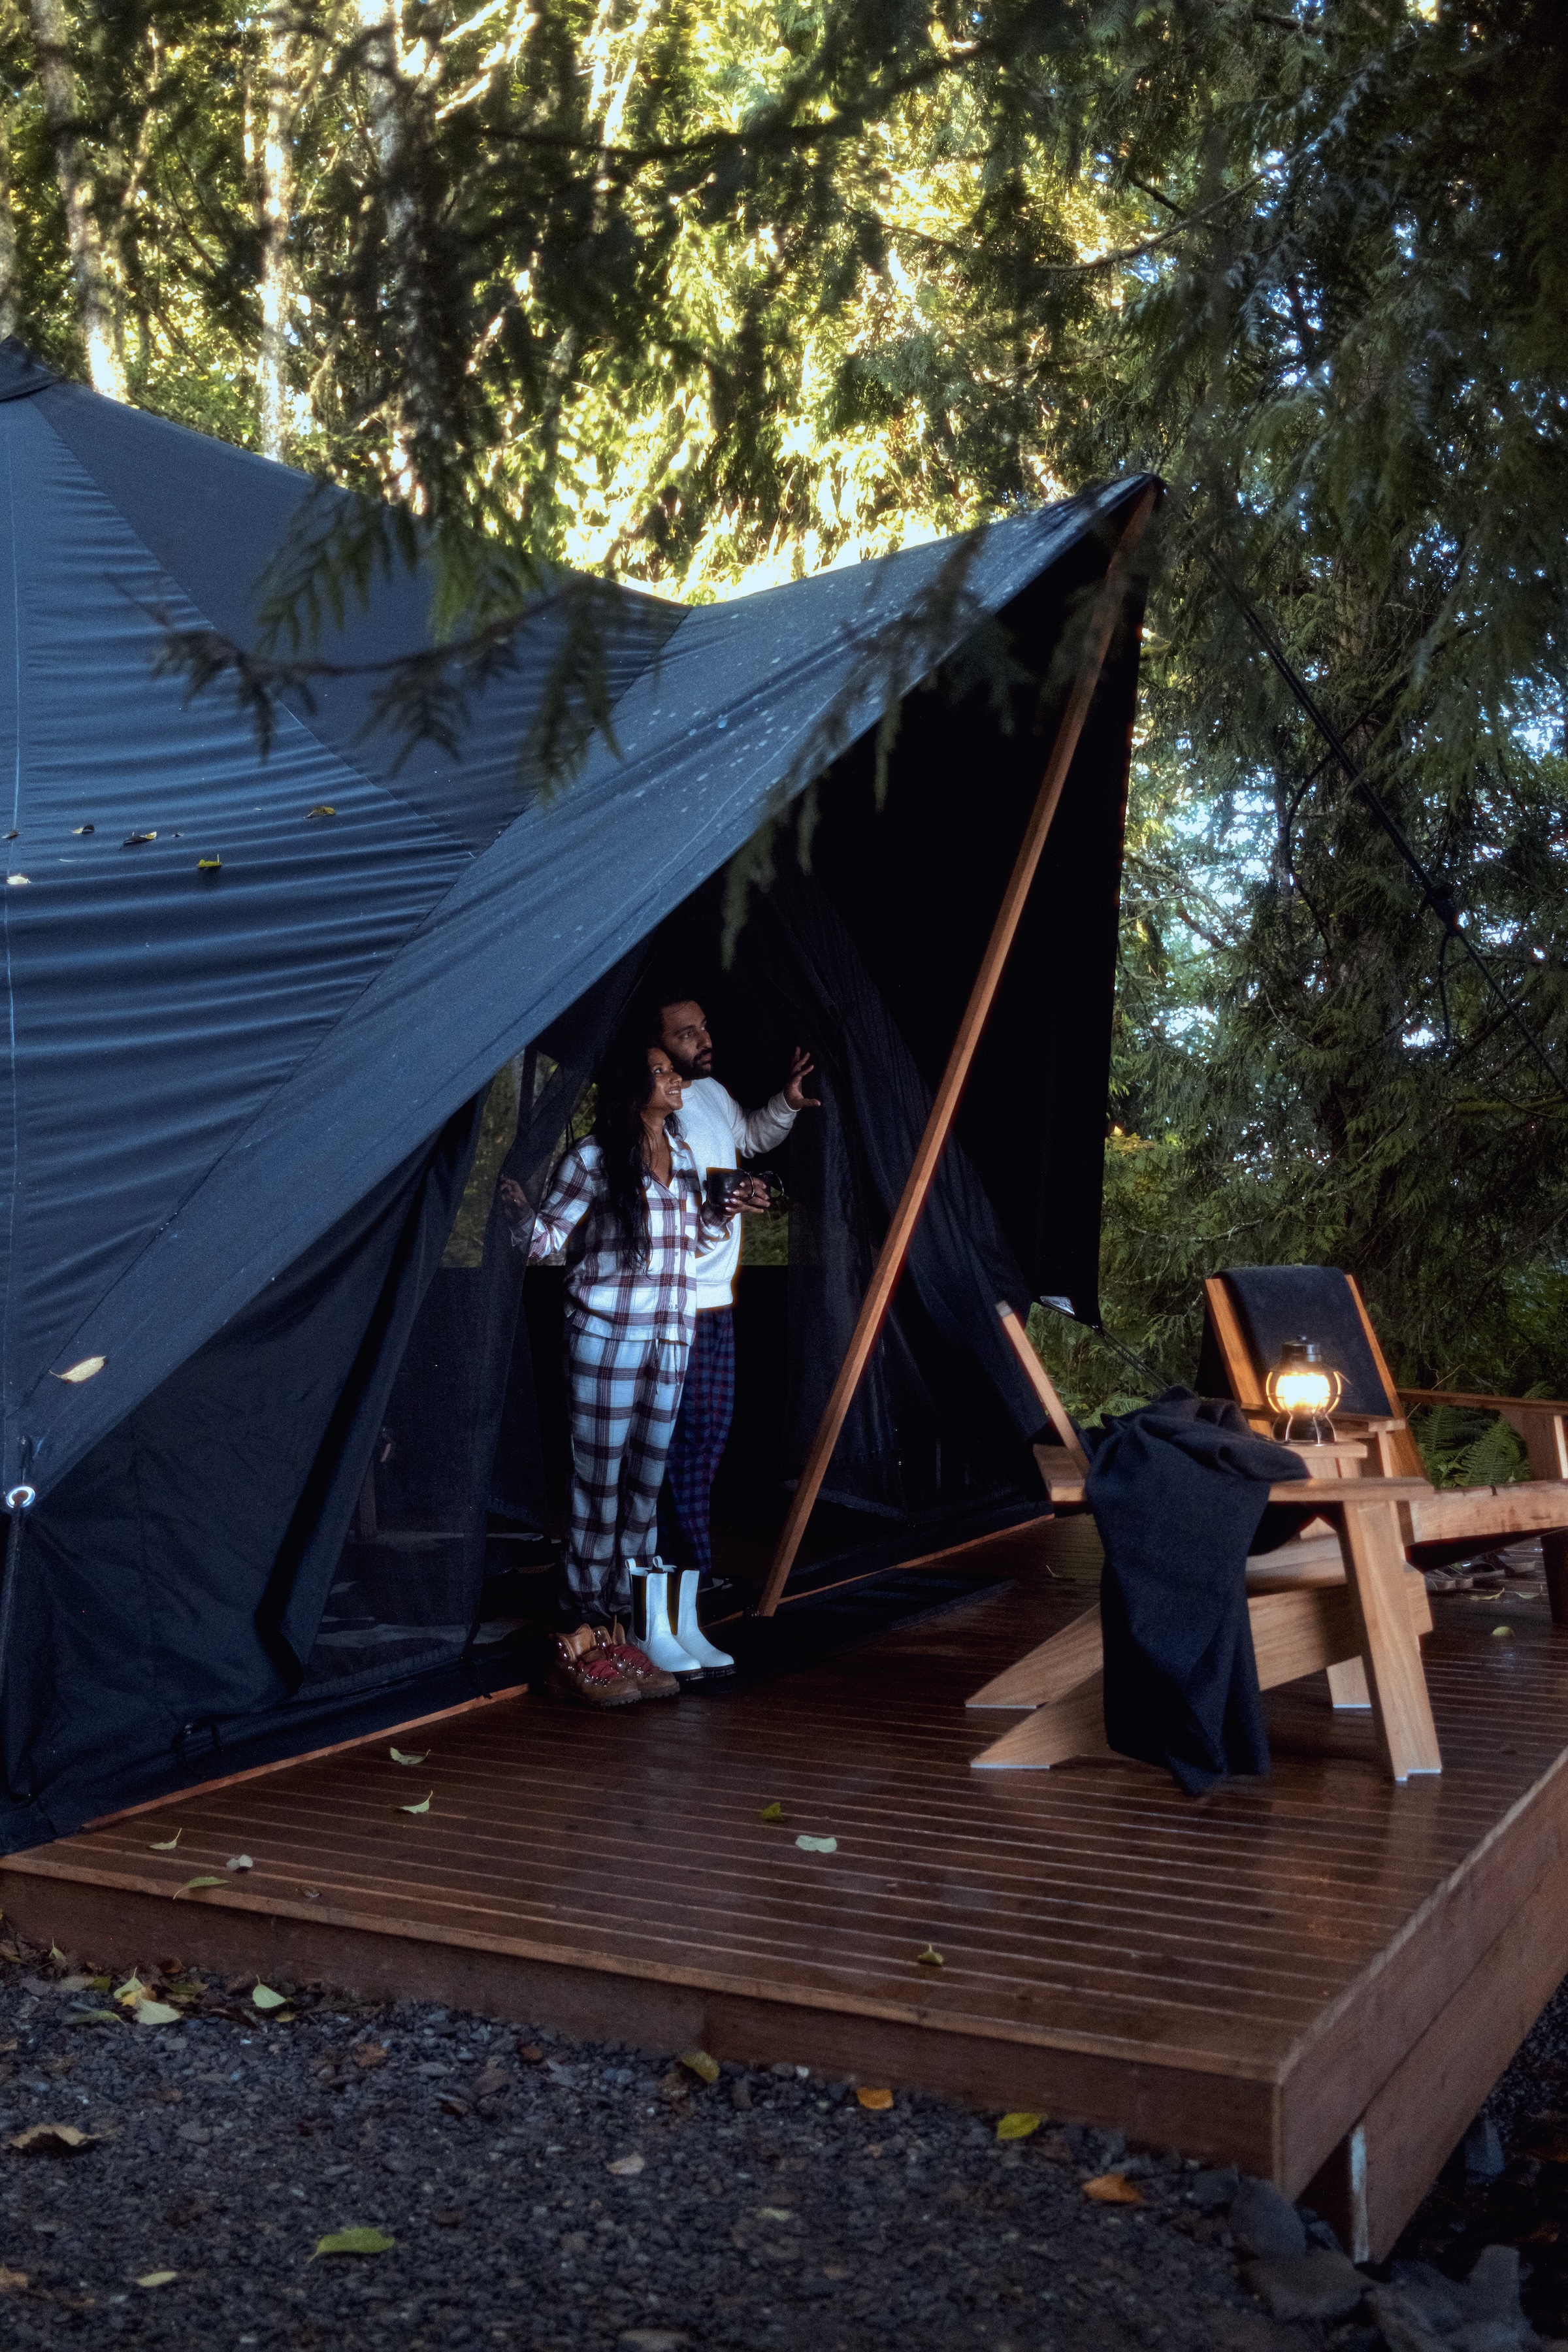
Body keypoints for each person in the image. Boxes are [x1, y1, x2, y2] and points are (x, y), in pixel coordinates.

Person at [498, 1038, 743, 1708]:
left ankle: (629, 1625)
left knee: (646, 1487)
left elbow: (695, 1244)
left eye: (674, 1072)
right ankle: (582, 1624)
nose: (677, 1083)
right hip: (609, 1339)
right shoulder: (594, 1159)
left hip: (672, 1337)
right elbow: (550, 1241)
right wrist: (521, 1215)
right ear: (634, 1088)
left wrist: (722, 1213)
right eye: (662, 1072)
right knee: (599, 1483)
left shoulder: (687, 1157)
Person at [650, 994, 817, 1593]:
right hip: (678, 1300)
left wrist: (786, 1104)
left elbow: (745, 1135)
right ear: (657, 1049)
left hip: (717, 1297)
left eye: (704, 1027)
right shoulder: (654, 1112)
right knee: (684, 1439)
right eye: (685, 1034)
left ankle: (686, 1569)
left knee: (708, 1436)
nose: (702, 1040)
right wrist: (724, 1203)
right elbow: (665, 1205)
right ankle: (685, 1572)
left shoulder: (711, 1094)